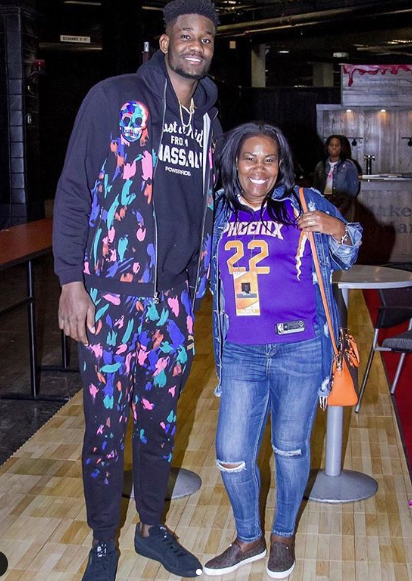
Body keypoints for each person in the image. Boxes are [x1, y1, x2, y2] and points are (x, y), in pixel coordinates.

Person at [52, 1, 221, 579]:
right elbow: (74, 188)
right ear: (164, 41)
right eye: (186, 35)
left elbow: (205, 206)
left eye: (205, 37)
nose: (196, 45)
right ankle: (103, 540)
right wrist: (70, 281)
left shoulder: (206, 123)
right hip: (109, 297)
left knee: (159, 424)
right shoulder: (113, 98)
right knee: (104, 426)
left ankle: (151, 529)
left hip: (172, 304)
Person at [204, 122, 362, 579]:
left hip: (301, 348)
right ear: (234, 162)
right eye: (250, 158)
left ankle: (283, 536)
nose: (260, 168)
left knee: (290, 450)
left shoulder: (303, 201)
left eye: (269, 159)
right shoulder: (217, 209)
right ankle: (249, 537)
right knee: (232, 453)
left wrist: (337, 228)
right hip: (240, 352)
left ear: (281, 164)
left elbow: (349, 249)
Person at [313, 134, 360, 218]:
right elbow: (315, 188)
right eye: (331, 145)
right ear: (327, 147)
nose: (334, 147)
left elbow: (353, 190)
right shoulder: (320, 166)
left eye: (337, 145)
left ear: (341, 147)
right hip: (324, 206)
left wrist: (342, 207)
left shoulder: (349, 166)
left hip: (344, 207)